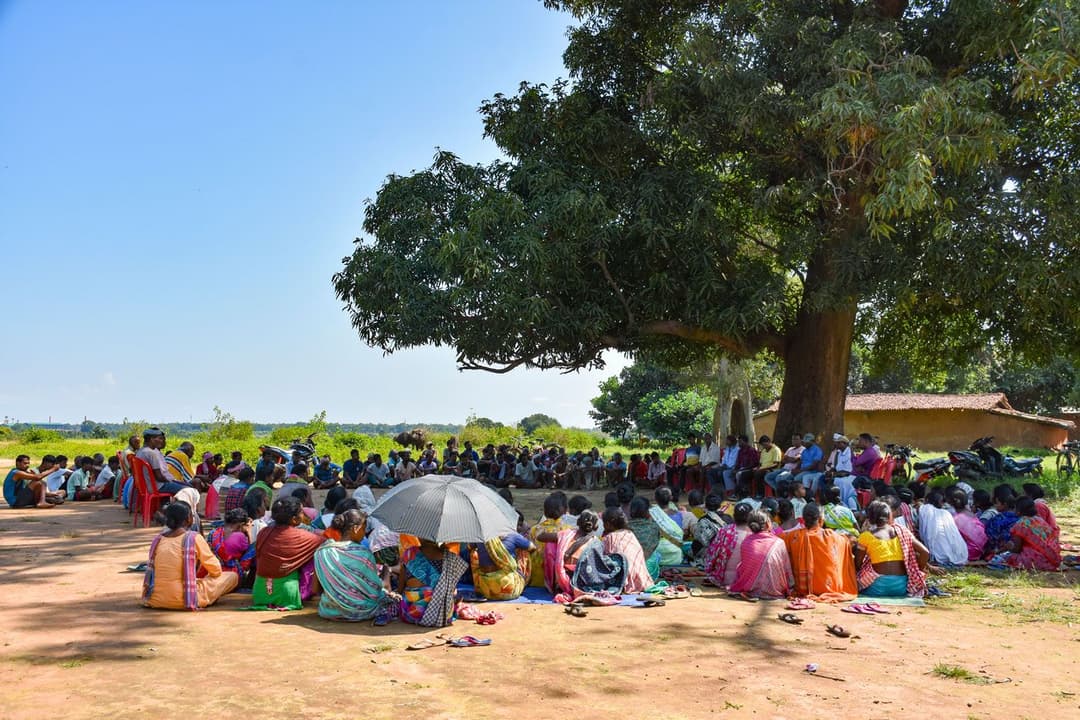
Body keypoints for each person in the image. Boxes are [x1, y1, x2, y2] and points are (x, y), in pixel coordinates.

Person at [141, 501, 238, 610]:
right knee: (232, 576)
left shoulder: (158, 540)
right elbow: (216, 570)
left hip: (154, 599)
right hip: (185, 599)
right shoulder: (193, 538)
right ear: (189, 519)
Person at [314, 508, 401, 622]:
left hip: (329, 611)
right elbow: (375, 591)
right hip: (361, 611)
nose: (364, 532)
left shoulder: (323, 551)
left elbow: (315, 589)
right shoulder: (364, 554)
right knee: (394, 600)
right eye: (363, 528)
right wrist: (386, 571)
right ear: (356, 529)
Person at [252, 497, 326, 610]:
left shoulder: (263, 532)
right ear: (294, 519)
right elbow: (326, 542)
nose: (304, 514)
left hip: (260, 593)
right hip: (288, 595)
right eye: (301, 512)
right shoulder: (301, 536)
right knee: (319, 554)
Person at [782, 503, 857, 601]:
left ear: (803, 520)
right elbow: (848, 542)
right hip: (829, 588)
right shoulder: (831, 536)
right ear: (821, 520)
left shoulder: (793, 537)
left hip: (802, 589)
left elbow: (776, 542)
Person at [855, 500, 930, 598]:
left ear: (870, 518)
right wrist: (917, 570)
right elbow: (925, 552)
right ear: (889, 515)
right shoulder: (903, 532)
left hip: (877, 587)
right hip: (901, 587)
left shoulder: (865, 536)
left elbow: (858, 563)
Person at [398, 535, 469, 627]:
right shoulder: (449, 557)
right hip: (442, 614)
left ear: (419, 536)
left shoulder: (410, 553)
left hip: (411, 612)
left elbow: (400, 589)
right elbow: (452, 591)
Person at [727, 509, 793, 599]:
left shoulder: (746, 542)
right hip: (775, 590)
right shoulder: (779, 542)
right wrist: (791, 584)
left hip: (749, 589)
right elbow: (786, 568)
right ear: (767, 524)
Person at [469, 530, 534, 601]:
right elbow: (533, 548)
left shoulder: (481, 537)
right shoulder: (513, 536)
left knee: (474, 552)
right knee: (524, 551)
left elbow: (469, 547)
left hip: (485, 591)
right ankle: (523, 582)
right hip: (508, 591)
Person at [601, 507, 653, 593]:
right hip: (641, 581)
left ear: (608, 524)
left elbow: (604, 561)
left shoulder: (609, 538)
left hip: (622, 582)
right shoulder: (630, 534)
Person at [1003, 497, 1061, 571]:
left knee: (1005, 557)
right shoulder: (1040, 520)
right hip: (1053, 561)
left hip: (1035, 562)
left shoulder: (1021, 524)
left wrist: (1009, 546)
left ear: (1018, 511)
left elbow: (1017, 549)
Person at [704, 502, 753, 588]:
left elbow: (712, 554)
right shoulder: (754, 535)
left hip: (722, 579)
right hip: (745, 582)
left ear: (734, 516)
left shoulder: (725, 531)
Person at [527, 494, 573, 587]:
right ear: (564, 510)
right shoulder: (568, 530)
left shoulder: (534, 529)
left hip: (536, 578)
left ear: (544, 511)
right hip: (556, 579)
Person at [136, 429, 193, 496]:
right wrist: (170, 481)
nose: (161, 441)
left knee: (185, 485)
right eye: (159, 438)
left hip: (146, 486)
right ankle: (180, 506)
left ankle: (167, 503)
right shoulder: (151, 453)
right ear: (152, 439)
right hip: (157, 487)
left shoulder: (140, 452)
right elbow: (159, 477)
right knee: (189, 489)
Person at [917, 491, 968, 566]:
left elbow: (923, 534)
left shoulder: (926, 509)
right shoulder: (946, 513)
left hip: (939, 555)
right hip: (959, 553)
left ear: (927, 500)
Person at [208, 508, 256, 585]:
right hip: (231, 575)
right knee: (256, 546)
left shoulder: (213, 533)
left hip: (213, 571)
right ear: (241, 525)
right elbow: (246, 561)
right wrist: (249, 532)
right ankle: (248, 584)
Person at [650, 486, 688, 566]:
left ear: (655, 498)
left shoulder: (651, 514)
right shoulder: (679, 515)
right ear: (671, 498)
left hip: (656, 556)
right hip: (675, 557)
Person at [628, 496, 662, 580]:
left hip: (628, 571)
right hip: (649, 571)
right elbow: (654, 546)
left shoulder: (624, 527)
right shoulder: (654, 527)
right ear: (647, 511)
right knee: (657, 555)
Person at [948, 488, 987, 562]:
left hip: (969, 553)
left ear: (950, 502)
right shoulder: (971, 514)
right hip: (982, 550)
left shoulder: (955, 519)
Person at [983, 485, 1021, 558]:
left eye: (995, 502)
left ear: (999, 501)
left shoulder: (997, 520)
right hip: (1017, 551)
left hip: (998, 553)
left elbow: (989, 539)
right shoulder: (1022, 517)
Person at [691, 493, 727, 559]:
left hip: (710, 555)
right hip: (725, 553)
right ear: (719, 505)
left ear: (706, 506)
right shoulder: (728, 518)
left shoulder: (703, 520)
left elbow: (699, 541)